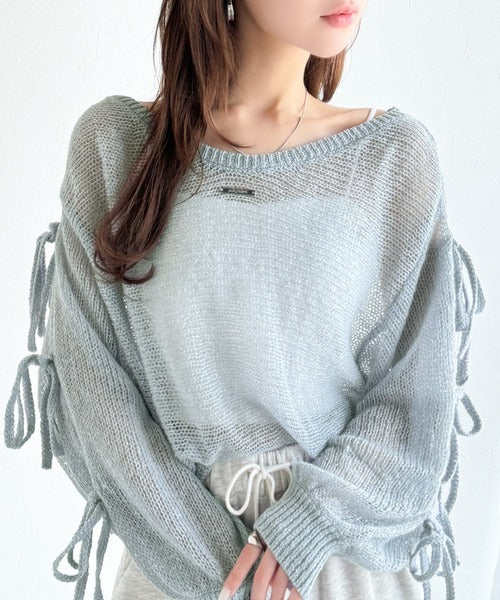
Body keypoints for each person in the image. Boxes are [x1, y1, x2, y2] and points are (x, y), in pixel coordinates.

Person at [4, 1, 486, 599]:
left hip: (341, 566)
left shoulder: (391, 158)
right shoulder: (116, 148)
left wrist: (306, 527)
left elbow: (413, 405)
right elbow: (94, 394)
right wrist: (226, 570)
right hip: (174, 565)